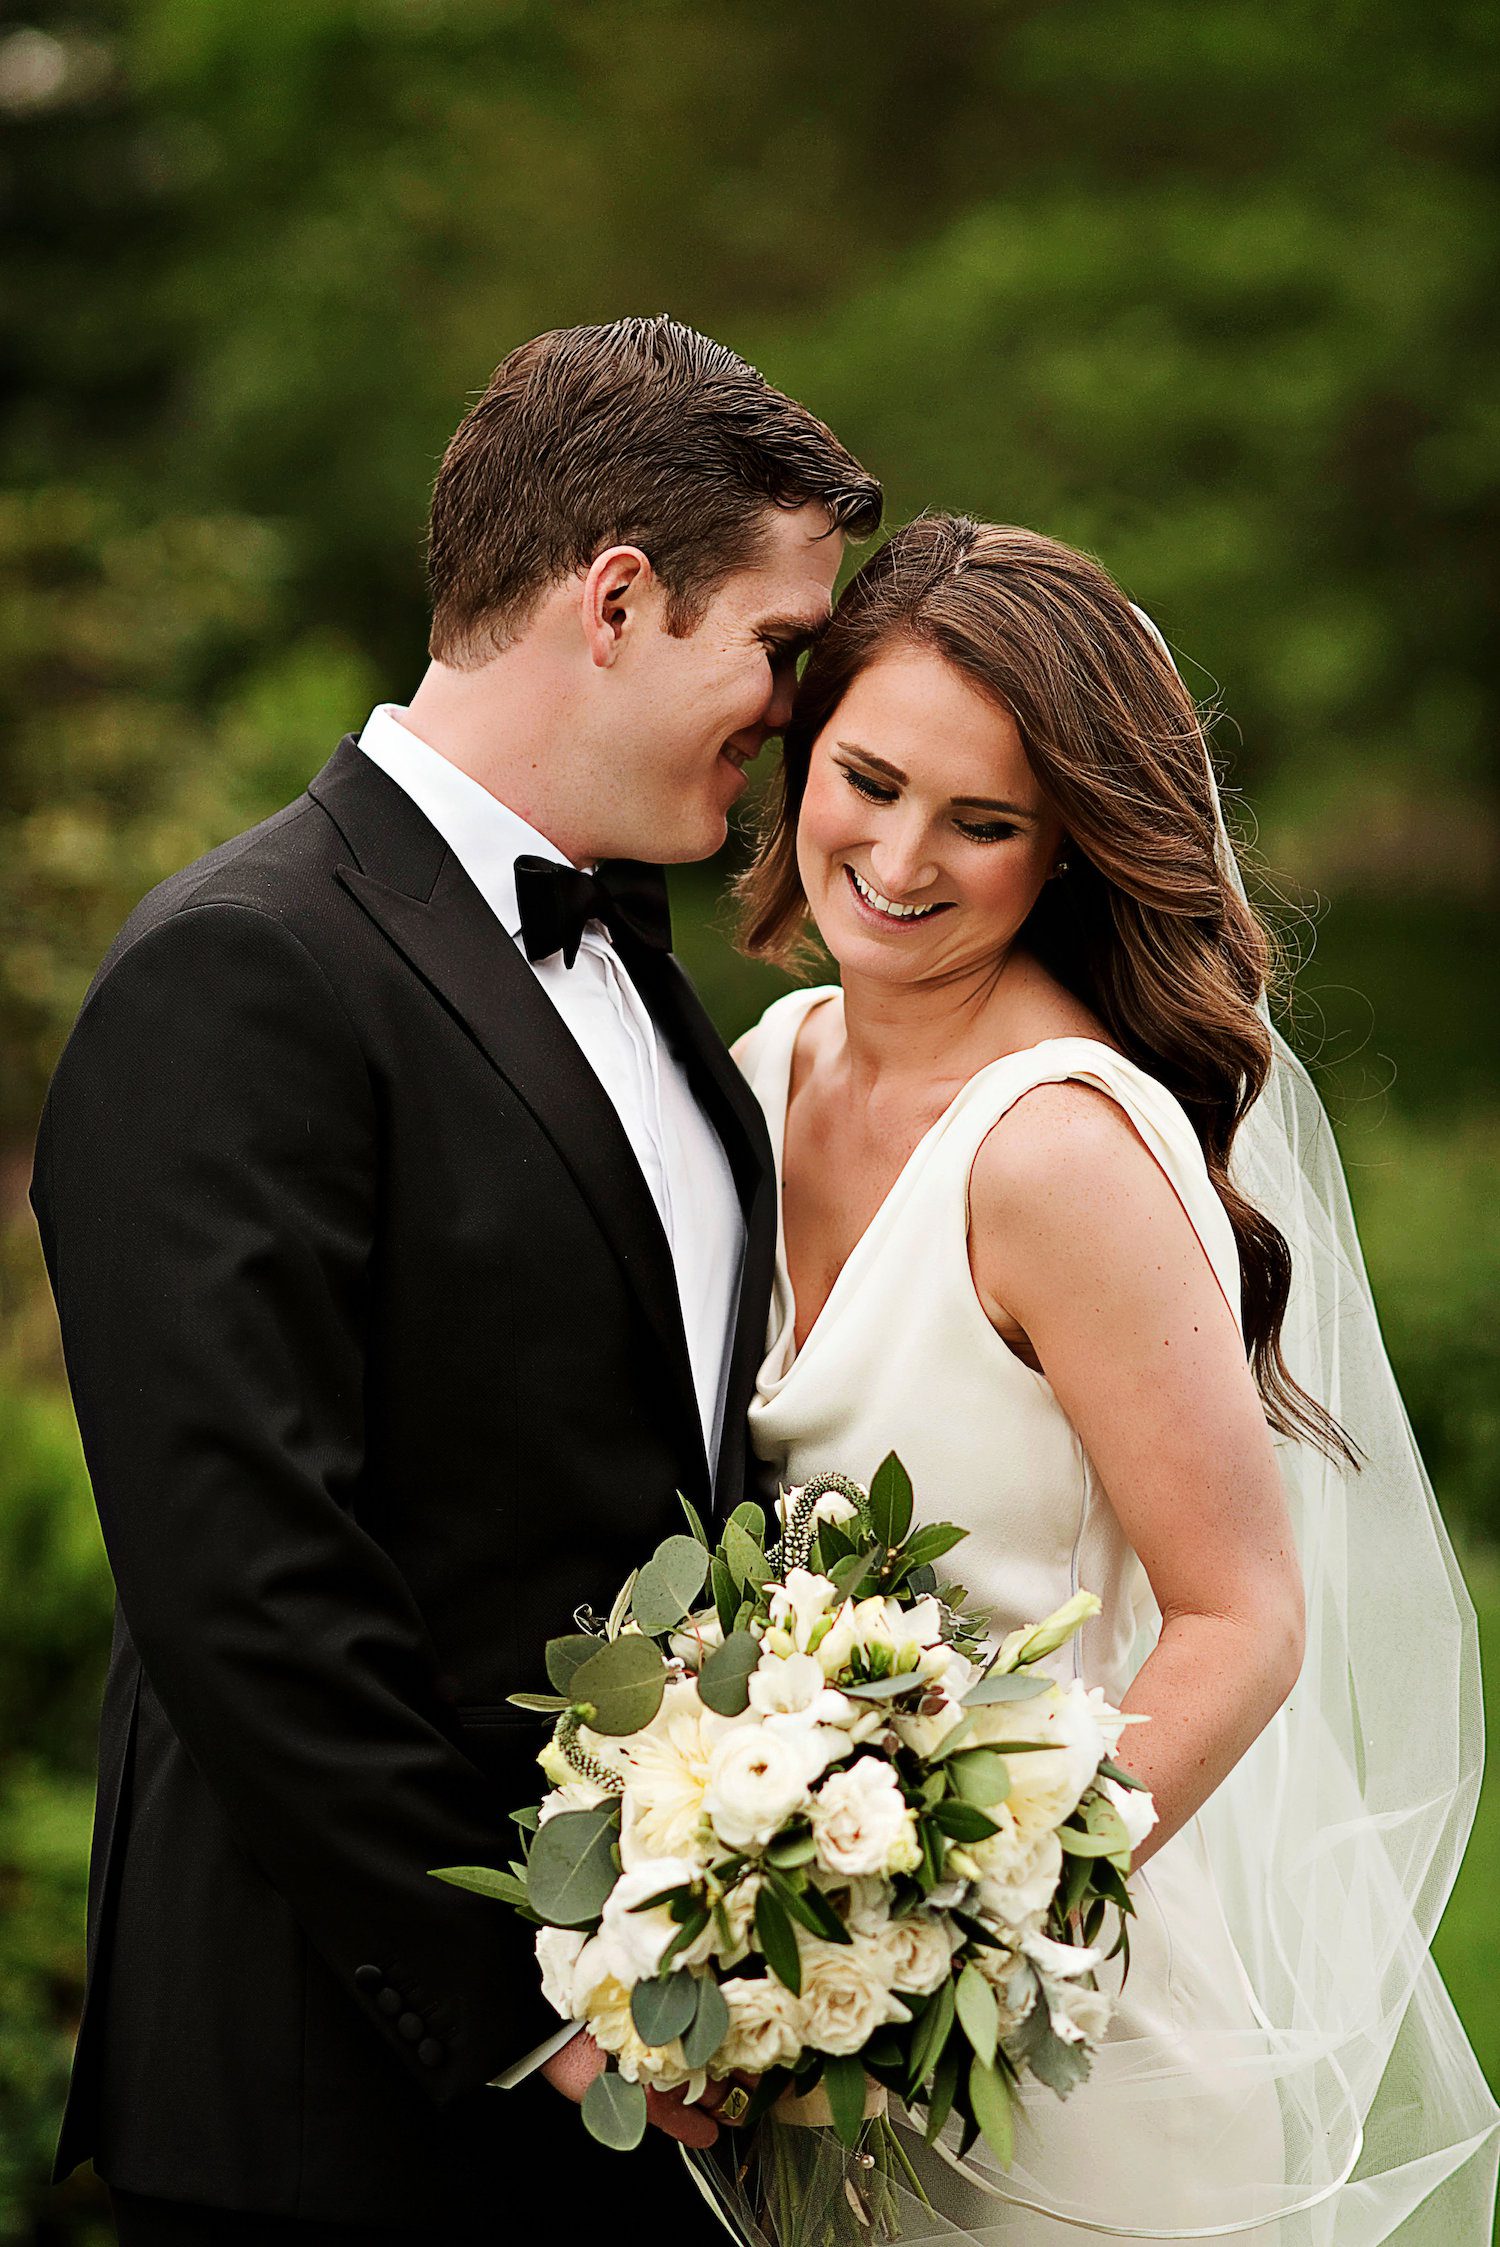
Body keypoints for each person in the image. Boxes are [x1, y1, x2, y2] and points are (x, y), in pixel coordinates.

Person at [29, 314, 881, 2244]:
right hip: (340, 2105)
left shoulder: (648, 983)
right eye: (774, 648)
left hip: (631, 2094)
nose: (791, 717)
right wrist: (552, 2013)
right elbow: (244, 1583)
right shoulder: (240, 973)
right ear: (616, 597)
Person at [732, 515, 1499, 2242]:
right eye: (867, 778)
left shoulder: (1060, 1153)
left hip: (1063, 2055)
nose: (900, 854)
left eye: (983, 822)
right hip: (807, 2052)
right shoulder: (762, 1072)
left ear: (1065, 849)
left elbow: (1244, 1620)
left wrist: (930, 1934)